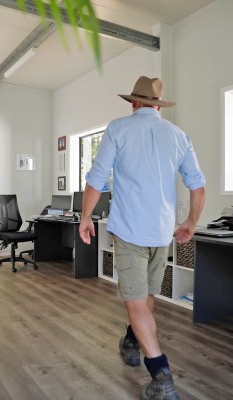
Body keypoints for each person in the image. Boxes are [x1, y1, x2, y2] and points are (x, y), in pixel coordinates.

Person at [79, 76, 206, 400]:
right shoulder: (179, 136)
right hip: (162, 231)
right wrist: (190, 222)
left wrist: (85, 217)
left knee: (136, 300)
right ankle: (132, 341)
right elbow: (198, 186)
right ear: (158, 105)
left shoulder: (119, 128)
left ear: (134, 102)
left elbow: (96, 179)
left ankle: (161, 375)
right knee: (147, 295)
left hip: (129, 230)